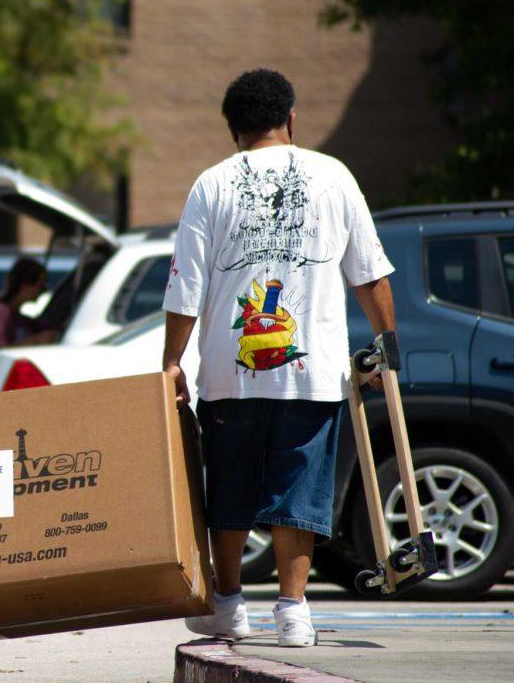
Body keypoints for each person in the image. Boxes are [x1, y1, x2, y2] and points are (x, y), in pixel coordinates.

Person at [161, 69, 396, 647]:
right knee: (300, 489)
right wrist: (387, 344)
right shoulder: (333, 176)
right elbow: (369, 272)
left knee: (230, 491)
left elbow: (184, 287)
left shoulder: (210, 185)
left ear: (232, 130)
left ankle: (228, 605)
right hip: (312, 372)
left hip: (228, 374)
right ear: (290, 120)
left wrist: (172, 364)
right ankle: (293, 613)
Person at [0, 257, 60, 366]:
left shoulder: (20, 319)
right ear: (24, 285)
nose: (42, 292)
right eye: (40, 286)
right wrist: (34, 341)